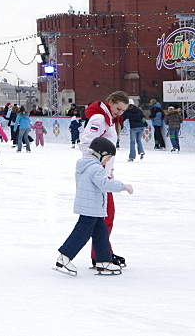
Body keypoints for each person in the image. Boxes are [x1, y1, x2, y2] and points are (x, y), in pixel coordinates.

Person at [55, 137, 133, 276]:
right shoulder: (95, 168)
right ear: (101, 153)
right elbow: (104, 184)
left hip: (92, 207)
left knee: (101, 234)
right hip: (91, 207)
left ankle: (103, 261)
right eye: (107, 159)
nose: (107, 162)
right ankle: (64, 257)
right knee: (81, 234)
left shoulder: (85, 165)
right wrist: (123, 186)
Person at [79, 91, 129, 267]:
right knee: (104, 217)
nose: (119, 113)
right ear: (110, 102)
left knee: (104, 217)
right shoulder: (100, 119)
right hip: (99, 177)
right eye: (117, 108)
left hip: (103, 174)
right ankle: (101, 255)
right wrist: (96, 169)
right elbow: (87, 144)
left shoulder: (108, 120)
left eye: (122, 111)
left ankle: (102, 253)